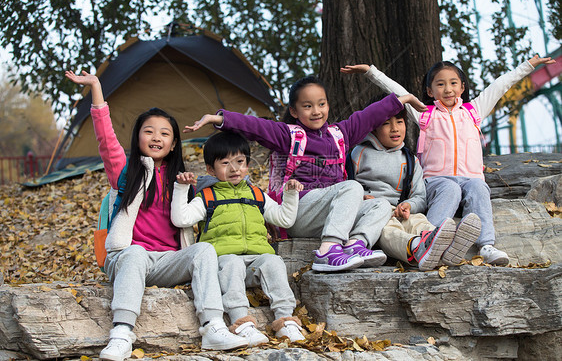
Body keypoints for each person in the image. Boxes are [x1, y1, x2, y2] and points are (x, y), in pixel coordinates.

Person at [65, 70, 248, 361]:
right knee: (136, 253)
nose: (156, 137)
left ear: (174, 143)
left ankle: (213, 326)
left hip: (167, 261)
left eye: (165, 133)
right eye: (148, 131)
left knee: (203, 251)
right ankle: (122, 333)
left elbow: (228, 180)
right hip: (127, 257)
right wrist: (96, 88)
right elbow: (105, 137)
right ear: (138, 137)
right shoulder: (125, 171)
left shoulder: (183, 179)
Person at [183, 76, 427, 272]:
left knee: (381, 205)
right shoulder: (288, 135)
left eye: (321, 104)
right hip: (299, 211)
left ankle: (355, 245)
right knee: (353, 187)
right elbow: (255, 126)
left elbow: (369, 115)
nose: (316, 111)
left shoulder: (340, 134)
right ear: (295, 110)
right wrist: (218, 118)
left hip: (328, 212)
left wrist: (402, 98)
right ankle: (328, 250)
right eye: (307, 106)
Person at [341, 54, 556, 265]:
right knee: (450, 189)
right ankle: (431, 239)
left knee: (479, 188)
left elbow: (501, 85)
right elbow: (399, 93)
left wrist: (528, 65)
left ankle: (486, 246)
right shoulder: (425, 113)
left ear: (462, 87)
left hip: (471, 178)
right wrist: (371, 72)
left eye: (453, 83)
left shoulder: (474, 111)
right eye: (440, 84)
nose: (448, 89)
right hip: (437, 180)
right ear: (429, 91)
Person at [170, 131, 306, 346]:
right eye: (225, 163)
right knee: (232, 262)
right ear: (210, 169)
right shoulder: (207, 196)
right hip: (223, 263)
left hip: (255, 263)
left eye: (240, 162)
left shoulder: (256, 194)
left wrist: (290, 194)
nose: (234, 169)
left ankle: (286, 320)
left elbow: (284, 219)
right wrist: (181, 187)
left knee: (274, 261)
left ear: (247, 164)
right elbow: (181, 218)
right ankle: (241, 322)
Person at [349, 105, 481, 271]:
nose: (395, 128)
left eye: (399, 122)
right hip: (372, 215)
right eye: (386, 124)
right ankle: (418, 249)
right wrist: (361, 197)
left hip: (398, 211)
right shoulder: (359, 153)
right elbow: (346, 186)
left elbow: (419, 197)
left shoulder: (410, 160)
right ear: (373, 127)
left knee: (418, 220)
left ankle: (445, 245)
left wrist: (409, 205)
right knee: (389, 231)